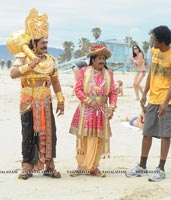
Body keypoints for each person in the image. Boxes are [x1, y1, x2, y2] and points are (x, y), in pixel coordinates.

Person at [8, 8, 65, 180]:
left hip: (46, 100)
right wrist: (29, 66)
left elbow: (55, 81)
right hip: (28, 100)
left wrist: (61, 99)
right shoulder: (24, 57)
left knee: (49, 132)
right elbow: (13, 74)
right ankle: (27, 166)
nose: (45, 45)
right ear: (34, 43)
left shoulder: (50, 60)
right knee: (28, 132)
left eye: (46, 42)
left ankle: (49, 165)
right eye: (42, 42)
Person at [126, 26, 171, 182]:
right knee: (147, 132)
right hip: (153, 99)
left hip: (169, 101)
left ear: (163, 41)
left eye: (154, 39)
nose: (152, 41)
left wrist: (165, 103)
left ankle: (161, 169)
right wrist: (144, 94)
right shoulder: (154, 51)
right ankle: (142, 166)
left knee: (165, 134)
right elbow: (152, 73)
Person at [69, 42, 117, 177]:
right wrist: (89, 101)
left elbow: (113, 92)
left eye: (103, 59)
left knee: (98, 138)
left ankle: (94, 167)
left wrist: (112, 107)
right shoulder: (84, 71)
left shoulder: (109, 74)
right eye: (99, 58)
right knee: (83, 137)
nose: (102, 61)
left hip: (101, 112)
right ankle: (81, 166)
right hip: (86, 110)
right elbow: (78, 89)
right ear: (93, 60)